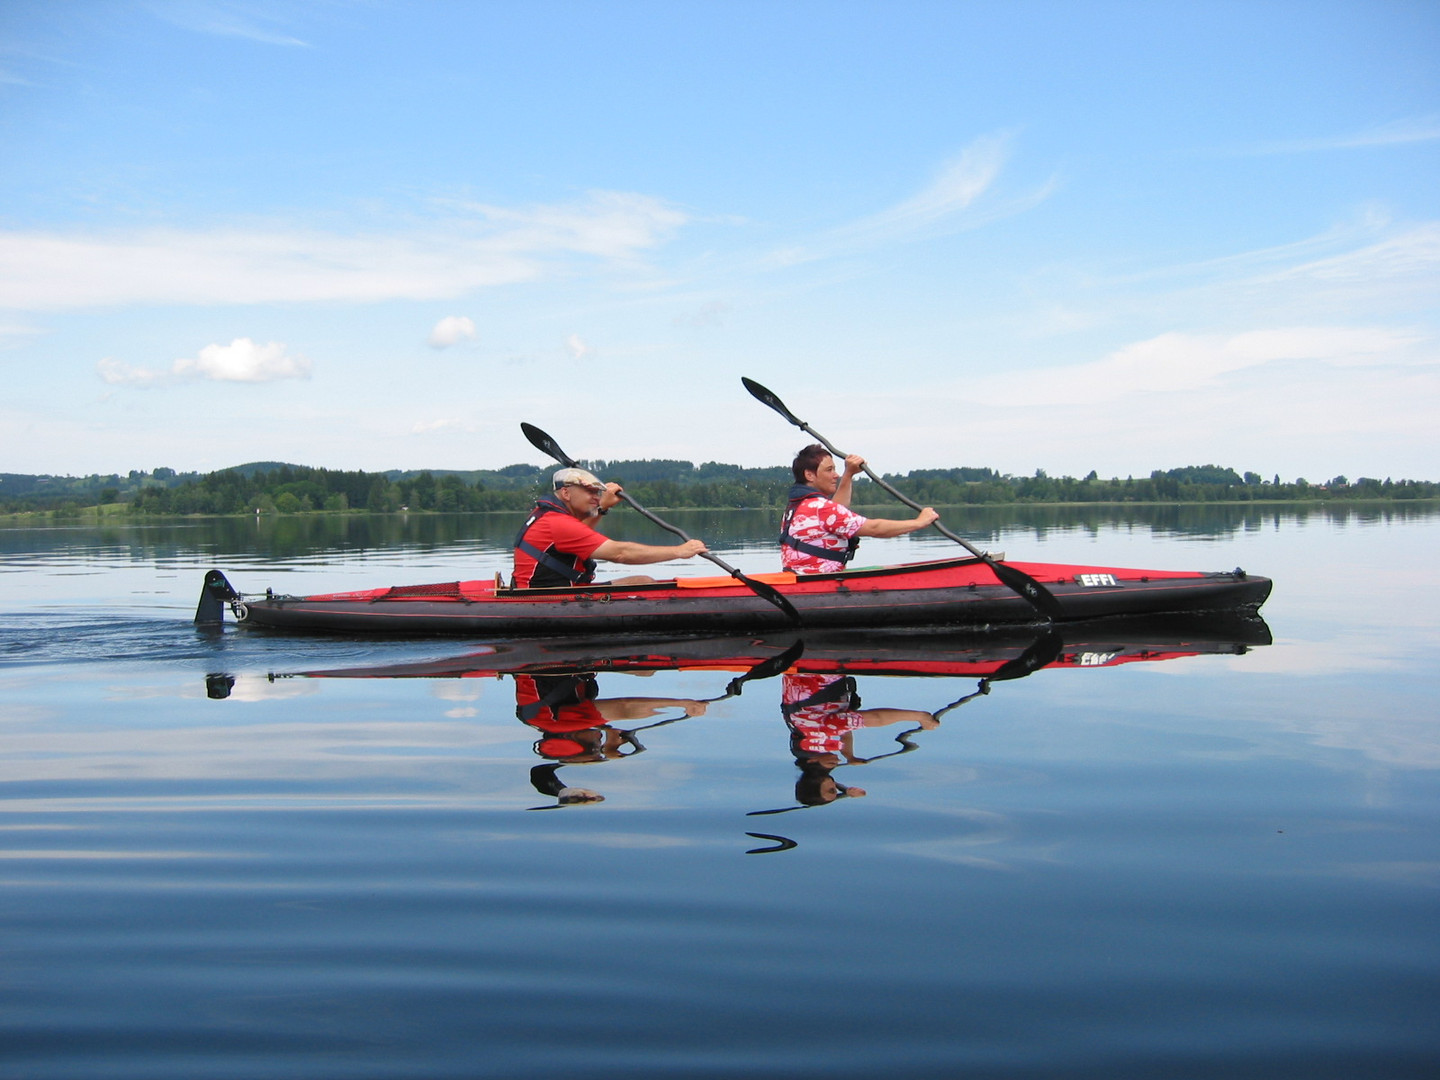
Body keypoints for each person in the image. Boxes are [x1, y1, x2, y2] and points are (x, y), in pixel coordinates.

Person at [513, 467, 708, 589]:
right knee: (644, 584)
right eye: (590, 492)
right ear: (566, 492)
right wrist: (680, 551)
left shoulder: (547, 516)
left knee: (642, 581)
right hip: (550, 601)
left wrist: (601, 507)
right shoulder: (558, 523)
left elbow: (577, 538)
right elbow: (620, 553)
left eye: (597, 492)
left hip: (551, 594)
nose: (596, 497)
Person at [780, 444, 940, 574]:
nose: (836, 475)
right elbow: (875, 529)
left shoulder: (798, 506)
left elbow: (838, 513)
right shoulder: (820, 507)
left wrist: (848, 474)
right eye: (829, 470)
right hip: (819, 584)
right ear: (809, 475)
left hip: (800, 576)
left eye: (835, 469)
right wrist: (919, 522)